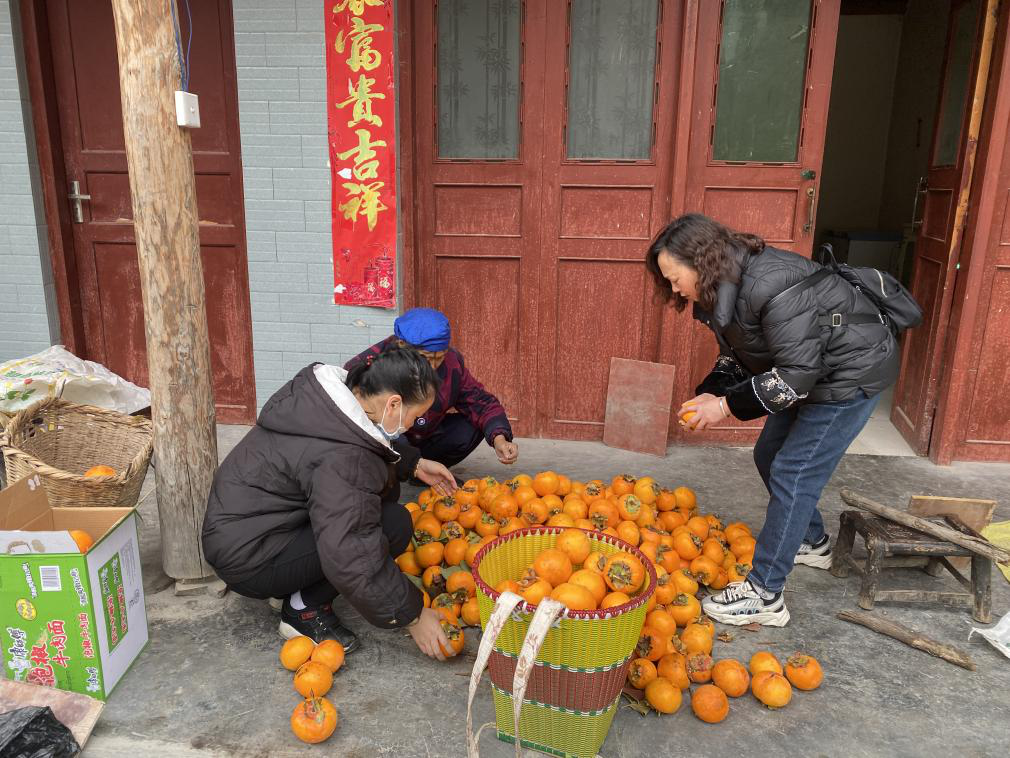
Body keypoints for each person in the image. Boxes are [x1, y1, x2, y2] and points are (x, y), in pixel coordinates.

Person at [645, 213, 899, 627]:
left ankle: (765, 594)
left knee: (794, 472)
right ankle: (811, 541)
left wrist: (726, 408)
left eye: (675, 278)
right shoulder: (723, 288)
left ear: (702, 263)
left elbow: (795, 377)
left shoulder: (772, 285)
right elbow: (742, 354)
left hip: (851, 372)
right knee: (769, 454)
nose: (674, 289)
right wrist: (713, 391)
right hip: (812, 370)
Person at [202, 348, 459, 658]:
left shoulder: (322, 403)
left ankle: (290, 585)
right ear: (393, 404)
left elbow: (357, 442)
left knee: (373, 516)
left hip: (244, 530)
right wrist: (412, 615)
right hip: (250, 557)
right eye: (415, 417)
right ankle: (302, 610)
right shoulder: (344, 458)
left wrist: (413, 464)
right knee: (391, 524)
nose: (413, 425)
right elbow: (351, 549)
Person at [345, 307, 519, 470]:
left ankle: (428, 472)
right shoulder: (369, 366)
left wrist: (500, 439)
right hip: (390, 441)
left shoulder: (452, 363)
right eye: (425, 358)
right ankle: (402, 470)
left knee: (471, 426)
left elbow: (481, 402)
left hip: (428, 434)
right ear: (402, 346)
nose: (433, 367)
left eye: (440, 358)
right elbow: (353, 421)